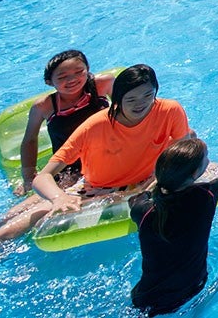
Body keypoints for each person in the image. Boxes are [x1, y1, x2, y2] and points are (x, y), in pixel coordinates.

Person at [24, 65, 192, 238]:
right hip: (100, 187)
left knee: (213, 171)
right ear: (118, 98)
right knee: (11, 228)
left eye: (148, 95)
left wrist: (156, 180)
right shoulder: (95, 126)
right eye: (131, 99)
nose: (141, 103)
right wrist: (59, 197)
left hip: (148, 179)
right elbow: (42, 177)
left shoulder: (170, 110)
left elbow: (182, 154)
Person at [130, 137, 218, 317]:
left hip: (146, 299)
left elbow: (136, 199)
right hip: (193, 291)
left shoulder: (144, 211)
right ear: (195, 173)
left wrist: (153, 187)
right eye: (206, 158)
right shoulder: (207, 196)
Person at [15, 50, 116, 195]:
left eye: (79, 71)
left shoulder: (103, 84)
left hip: (108, 156)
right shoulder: (43, 106)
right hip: (69, 168)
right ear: (49, 82)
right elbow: (30, 140)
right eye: (62, 77)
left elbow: (126, 112)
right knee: (38, 205)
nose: (72, 80)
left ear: (87, 70)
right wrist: (28, 179)